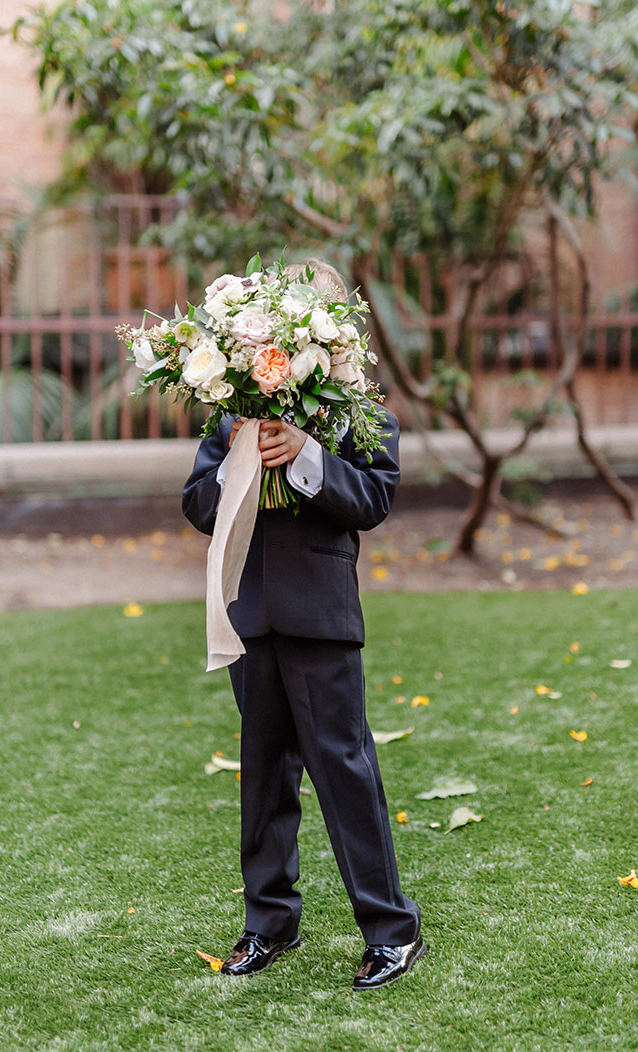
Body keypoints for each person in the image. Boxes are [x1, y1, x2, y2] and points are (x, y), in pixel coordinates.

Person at [182, 260, 426, 991]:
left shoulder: (360, 404)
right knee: (262, 778)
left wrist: (308, 457)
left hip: (320, 615)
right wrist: (238, 463)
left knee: (345, 771)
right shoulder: (232, 410)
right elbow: (197, 505)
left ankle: (391, 931)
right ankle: (269, 923)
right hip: (248, 611)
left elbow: (376, 496)